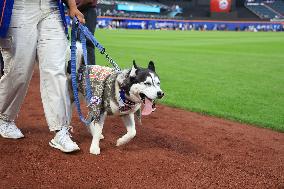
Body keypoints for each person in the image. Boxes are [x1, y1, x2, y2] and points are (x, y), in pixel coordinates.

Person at [0, 0, 85, 153]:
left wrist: (72, 6)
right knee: (19, 71)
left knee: (55, 70)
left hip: (51, 8)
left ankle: (61, 130)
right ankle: (4, 117)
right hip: (19, 7)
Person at [76, 0, 98, 65]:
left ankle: (89, 71)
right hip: (81, 10)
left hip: (86, 9)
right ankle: (82, 70)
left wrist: (74, 7)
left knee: (85, 43)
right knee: (79, 44)